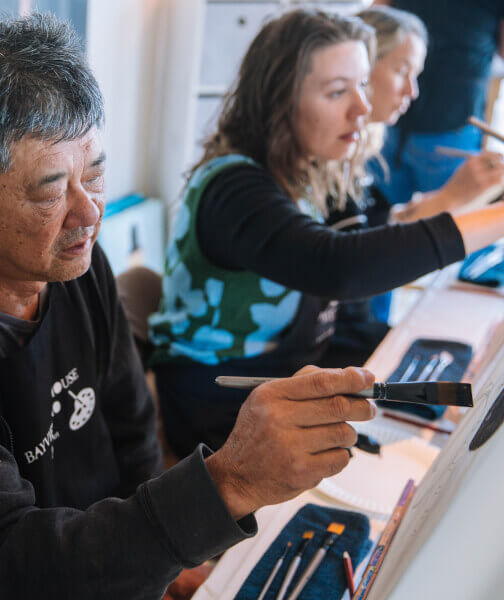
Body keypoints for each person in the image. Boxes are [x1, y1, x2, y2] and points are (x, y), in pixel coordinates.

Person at [0, 14, 377, 600]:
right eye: (50, 189)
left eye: (97, 173)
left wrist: (167, 556)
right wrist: (225, 483)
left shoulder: (65, 258)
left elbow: (132, 429)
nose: (88, 213)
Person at [149, 8, 504, 458]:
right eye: (338, 91)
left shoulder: (307, 169)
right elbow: (339, 265)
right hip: (222, 400)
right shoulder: (234, 188)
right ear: (280, 100)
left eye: (361, 85)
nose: (362, 107)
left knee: (440, 414)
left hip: (290, 372)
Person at [321, 6, 504, 368]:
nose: (413, 91)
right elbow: (357, 256)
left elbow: (382, 225)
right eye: (402, 71)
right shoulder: (331, 158)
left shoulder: (362, 151)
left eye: (414, 74)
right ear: (362, 68)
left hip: (349, 322)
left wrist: (453, 198)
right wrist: (452, 198)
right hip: (334, 339)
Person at [369, 0, 504, 208]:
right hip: (388, 121)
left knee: (451, 219)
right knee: (383, 215)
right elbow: (375, 20)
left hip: (451, 123)